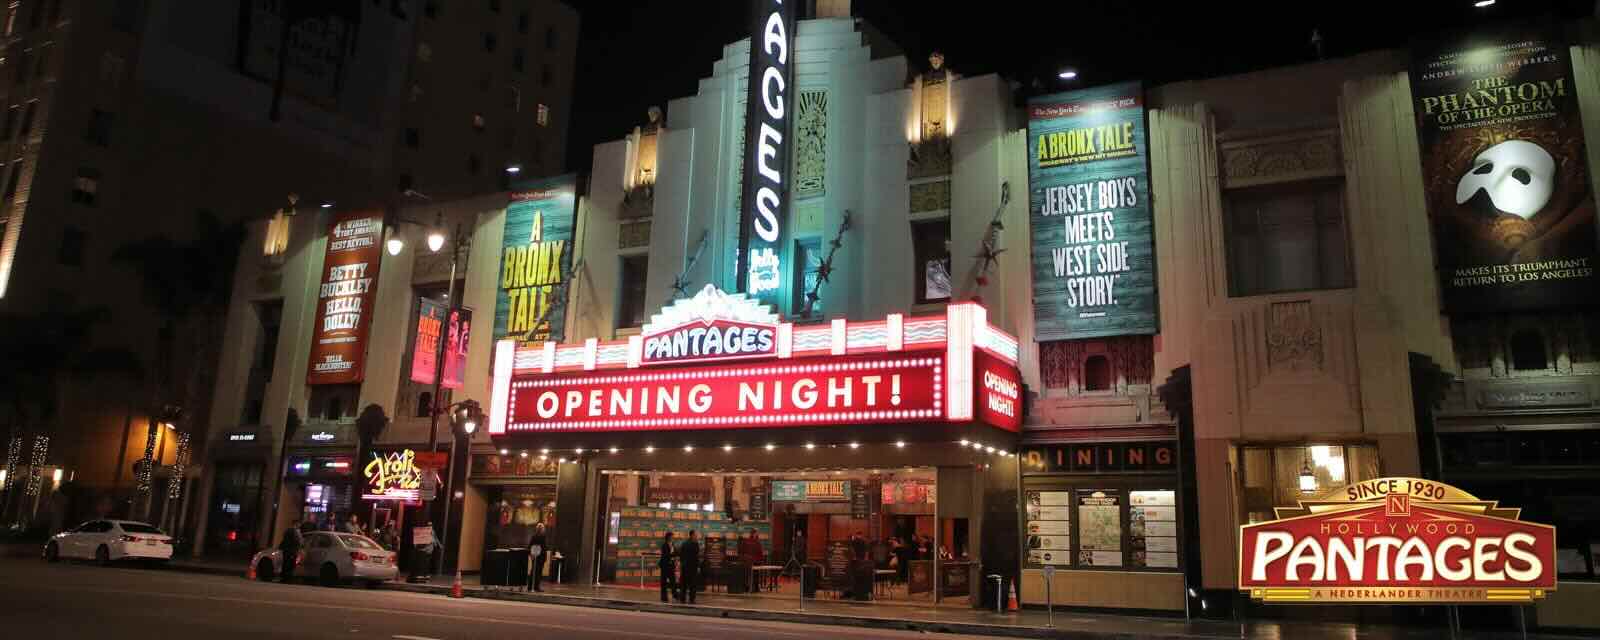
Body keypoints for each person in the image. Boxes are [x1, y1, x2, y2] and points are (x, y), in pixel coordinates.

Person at [678, 530, 701, 604]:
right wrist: (698, 566)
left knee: (684, 584)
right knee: (692, 584)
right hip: (692, 567)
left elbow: (681, 555)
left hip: (685, 566)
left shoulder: (684, 544)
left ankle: (682, 599)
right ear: (691, 535)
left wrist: (682, 564)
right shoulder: (695, 544)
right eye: (695, 535)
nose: (696, 536)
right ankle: (692, 599)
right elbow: (696, 556)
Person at [526, 522, 548, 592]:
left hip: (539, 557)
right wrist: (531, 554)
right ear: (540, 529)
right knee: (536, 572)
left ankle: (533, 586)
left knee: (536, 572)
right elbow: (531, 547)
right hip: (538, 557)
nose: (544, 529)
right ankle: (533, 587)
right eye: (542, 528)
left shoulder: (539, 536)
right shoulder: (537, 536)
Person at [657, 532, 678, 603]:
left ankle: (675, 595)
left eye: (673, 537)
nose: (673, 538)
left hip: (671, 566)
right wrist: (673, 555)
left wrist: (675, 559)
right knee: (664, 582)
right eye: (671, 537)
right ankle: (664, 597)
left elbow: (674, 553)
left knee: (673, 581)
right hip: (665, 566)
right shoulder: (664, 545)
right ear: (668, 537)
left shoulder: (673, 544)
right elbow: (666, 555)